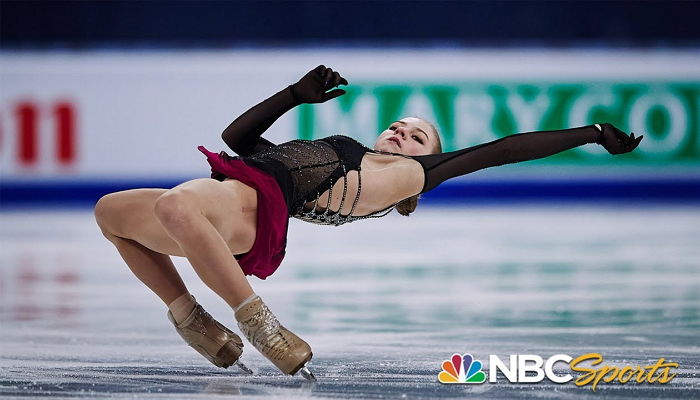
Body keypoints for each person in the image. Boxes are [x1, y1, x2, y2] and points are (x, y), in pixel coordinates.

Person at [93, 65, 643, 381]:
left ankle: (262, 327)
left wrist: (591, 133)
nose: (403, 133)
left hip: (247, 212)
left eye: (419, 136)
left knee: (176, 206)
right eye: (398, 127)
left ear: (432, 157)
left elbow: (502, 150)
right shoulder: (344, 149)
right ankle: (194, 322)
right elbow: (238, 140)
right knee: (111, 213)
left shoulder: (407, 176)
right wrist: (294, 96)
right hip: (232, 199)